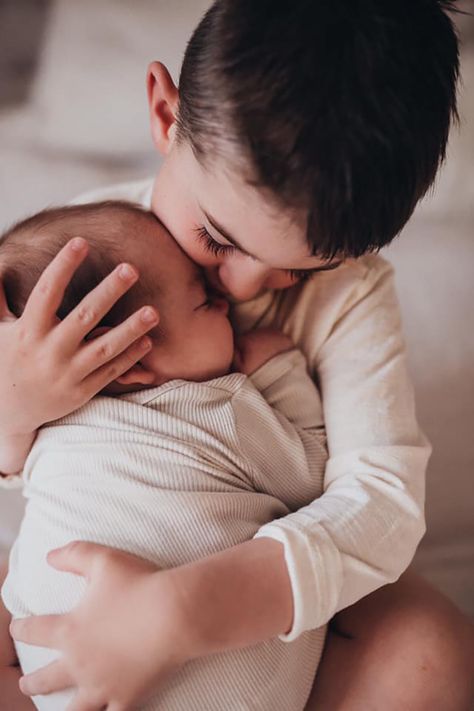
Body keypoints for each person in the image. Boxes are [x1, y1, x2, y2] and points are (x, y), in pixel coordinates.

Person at [1, 1, 473, 709]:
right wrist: (16, 409)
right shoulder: (79, 252)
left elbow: (381, 504)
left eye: (300, 269)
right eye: (217, 238)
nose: (240, 285)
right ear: (165, 115)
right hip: (102, 543)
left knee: (433, 651)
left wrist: (179, 612)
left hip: (253, 582)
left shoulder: (354, 298)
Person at [0, 200, 328, 710]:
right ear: (126, 358)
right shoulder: (221, 408)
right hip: (228, 685)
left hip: (62, 678)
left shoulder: (43, 423)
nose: (227, 305)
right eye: (205, 302)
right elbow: (310, 479)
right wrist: (280, 373)